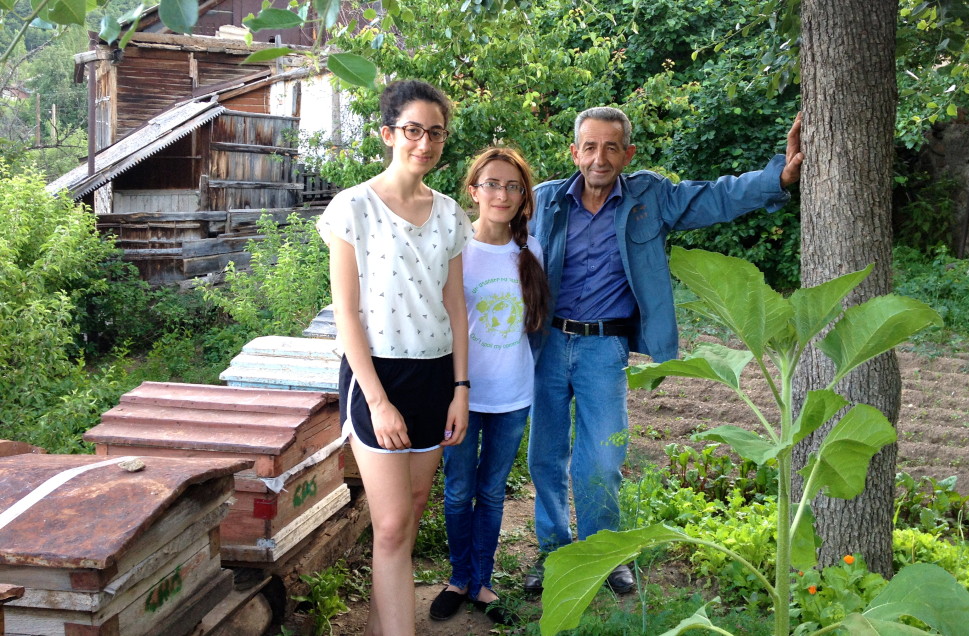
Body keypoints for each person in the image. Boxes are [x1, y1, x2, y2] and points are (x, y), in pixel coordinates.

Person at [524, 107, 803, 595]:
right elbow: (491, 229)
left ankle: (603, 554)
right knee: (545, 456)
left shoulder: (650, 197)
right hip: (546, 344)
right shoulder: (545, 201)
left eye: (612, 147)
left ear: (628, 154)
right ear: (574, 152)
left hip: (604, 348)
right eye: (590, 146)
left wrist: (776, 177)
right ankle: (552, 551)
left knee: (603, 460)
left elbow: (715, 197)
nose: (600, 157)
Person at [316, 79, 473, 636]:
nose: (424, 143)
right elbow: (347, 315)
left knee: (407, 518)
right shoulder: (352, 208)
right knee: (390, 525)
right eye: (413, 130)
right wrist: (378, 402)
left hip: (436, 376)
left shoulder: (452, 214)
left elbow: (456, 309)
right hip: (376, 375)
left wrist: (461, 389)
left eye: (435, 133)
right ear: (388, 134)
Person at [428, 147, 549, 626]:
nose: (502, 194)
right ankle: (458, 578)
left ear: (524, 198)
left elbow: (532, 326)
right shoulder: (455, 250)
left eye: (513, 186)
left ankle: (482, 582)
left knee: (493, 492)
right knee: (458, 490)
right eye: (492, 184)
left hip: (514, 395)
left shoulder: (530, 250)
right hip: (461, 396)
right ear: (473, 191)